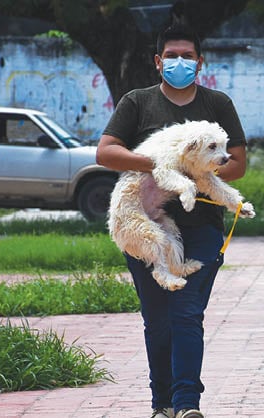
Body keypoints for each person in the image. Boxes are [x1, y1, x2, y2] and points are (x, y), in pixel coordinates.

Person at [96, 25, 246, 418]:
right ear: (159, 62)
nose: (180, 63)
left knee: (186, 312)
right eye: (172, 56)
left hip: (202, 227)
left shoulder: (218, 105)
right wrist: (162, 165)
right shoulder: (138, 102)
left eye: (188, 56)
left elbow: (238, 165)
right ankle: (161, 403)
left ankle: (186, 404)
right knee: (157, 319)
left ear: (200, 62)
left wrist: (201, 174)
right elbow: (106, 154)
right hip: (144, 221)